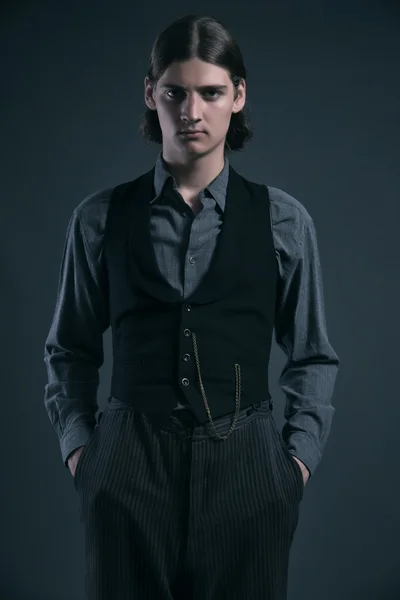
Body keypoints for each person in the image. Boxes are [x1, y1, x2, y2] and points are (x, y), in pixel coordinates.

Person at [44, 13, 340, 600]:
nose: (192, 111)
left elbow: (312, 356)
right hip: (128, 469)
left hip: (248, 472)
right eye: (176, 92)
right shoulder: (98, 219)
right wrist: (85, 455)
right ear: (151, 94)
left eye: (210, 92)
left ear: (238, 96)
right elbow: (69, 350)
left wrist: (293, 466)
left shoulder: (285, 220)